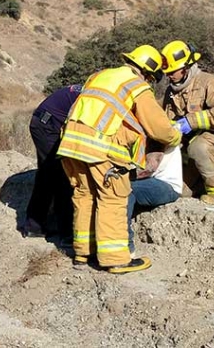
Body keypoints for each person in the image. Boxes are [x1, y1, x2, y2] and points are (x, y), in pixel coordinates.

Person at [57, 45, 182, 274]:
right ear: (147, 72)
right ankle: (116, 260)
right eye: (151, 78)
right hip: (101, 148)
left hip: (71, 145)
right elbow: (159, 128)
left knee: (85, 196)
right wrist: (175, 135)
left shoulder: (99, 76)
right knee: (113, 198)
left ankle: (83, 254)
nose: (149, 82)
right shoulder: (136, 85)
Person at [160, 41, 214, 204]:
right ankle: (201, 182)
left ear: (186, 67)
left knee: (199, 147)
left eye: (172, 71)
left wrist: (191, 121)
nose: (169, 76)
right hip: (187, 144)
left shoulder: (209, 83)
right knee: (179, 191)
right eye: (167, 72)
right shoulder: (171, 91)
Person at [22, 84, 81, 238]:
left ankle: (35, 226)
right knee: (61, 175)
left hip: (47, 123)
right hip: (47, 126)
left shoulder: (93, 89)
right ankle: (67, 233)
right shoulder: (95, 97)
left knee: (48, 174)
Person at [127, 144, 183, 253]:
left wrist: (122, 176)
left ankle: (125, 244)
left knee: (124, 188)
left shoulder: (157, 137)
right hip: (154, 182)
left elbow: (149, 169)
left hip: (167, 186)